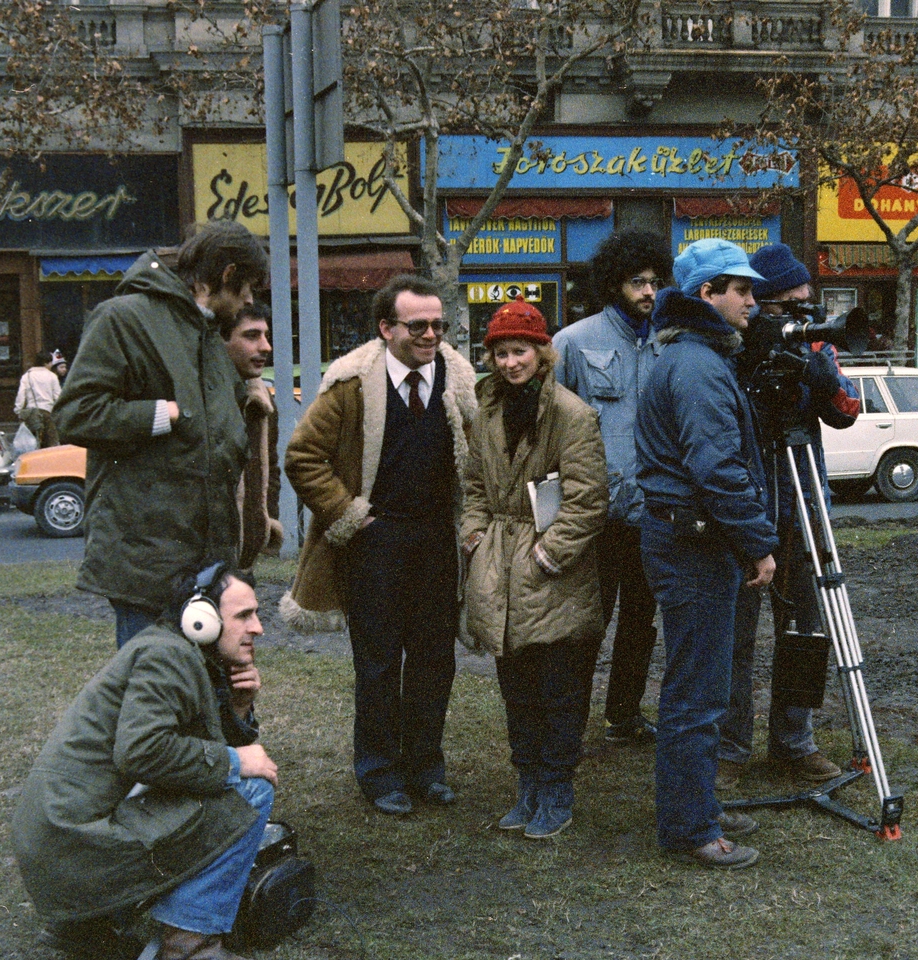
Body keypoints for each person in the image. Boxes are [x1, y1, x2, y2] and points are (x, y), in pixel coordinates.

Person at [11, 565, 282, 960]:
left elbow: (181, 757)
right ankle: (191, 958)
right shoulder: (168, 657)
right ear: (201, 618)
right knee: (250, 792)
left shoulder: (171, 649)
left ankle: (84, 922)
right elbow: (142, 752)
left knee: (222, 782)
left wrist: (240, 707)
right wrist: (235, 760)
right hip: (72, 844)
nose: (259, 627)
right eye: (245, 615)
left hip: (59, 845)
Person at [283, 273, 478, 816]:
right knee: (377, 664)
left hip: (438, 544)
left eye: (439, 325)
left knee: (435, 661)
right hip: (375, 546)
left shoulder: (459, 380)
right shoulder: (350, 384)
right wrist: (349, 514)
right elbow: (302, 457)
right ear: (385, 327)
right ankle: (378, 773)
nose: (431, 335)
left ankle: (426, 768)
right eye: (418, 325)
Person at [53, 221, 268, 648]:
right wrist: (158, 414)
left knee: (207, 695)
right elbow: (75, 414)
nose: (248, 300)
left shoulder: (206, 333)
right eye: (246, 288)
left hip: (207, 564)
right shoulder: (123, 318)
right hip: (148, 566)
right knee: (153, 696)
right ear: (225, 275)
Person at [635, 238, 776, 871]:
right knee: (697, 691)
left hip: (688, 537)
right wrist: (757, 543)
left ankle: (696, 807)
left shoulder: (689, 354)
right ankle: (692, 828)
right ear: (705, 296)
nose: (752, 299)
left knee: (698, 685)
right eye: (740, 289)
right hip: (693, 542)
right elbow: (717, 467)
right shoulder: (696, 364)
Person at [462, 300, 609, 839]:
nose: (508, 362)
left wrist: (551, 553)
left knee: (561, 686)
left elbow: (589, 498)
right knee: (515, 684)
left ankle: (557, 787)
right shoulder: (486, 410)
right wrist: (475, 535)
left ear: (542, 353)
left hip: (553, 571)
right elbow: (473, 482)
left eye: (519, 350)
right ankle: (527, 783)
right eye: (499, 353)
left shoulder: (571, 414)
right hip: (499, 560)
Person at [720, 244, 863, 788]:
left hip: (804, 500)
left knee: (805, 627)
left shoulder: (816, 344)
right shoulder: (735, 349)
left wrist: (824, 378)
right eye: (788, 307)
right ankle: (729, 748)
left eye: (808, 304)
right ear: (760, 304)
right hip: (750, 501)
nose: (803, 317)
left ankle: (793, 740)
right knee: (736, 633)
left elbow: (848, 412)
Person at [554, 229, 673, 746]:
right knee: (584, 627)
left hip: (653, 515)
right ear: (613, 284)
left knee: (641, 623)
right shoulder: (574, 342)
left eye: (654, 282)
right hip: (594, 517)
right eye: (636, 282)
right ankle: (569, 726)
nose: (648, 292)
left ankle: (623, 715)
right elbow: (549, 427)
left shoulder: (671, 342)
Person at [222, 302, 283, 568]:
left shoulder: (262, 402)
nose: (265, 346)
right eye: (251, 335)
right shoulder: (200, 398)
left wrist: (264, 524)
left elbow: (270, 468)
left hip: (243, 557)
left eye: (266, 336)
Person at [13, 349, 62, 448]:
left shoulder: (27, 376)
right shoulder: (52, 376)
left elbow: (21, 395)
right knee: (51, 443)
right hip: (48, 412)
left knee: (33, 443)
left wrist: (18, 410)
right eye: (51, 362)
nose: (52, 364)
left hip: (32, 413)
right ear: (46, 362)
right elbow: (58, 396)